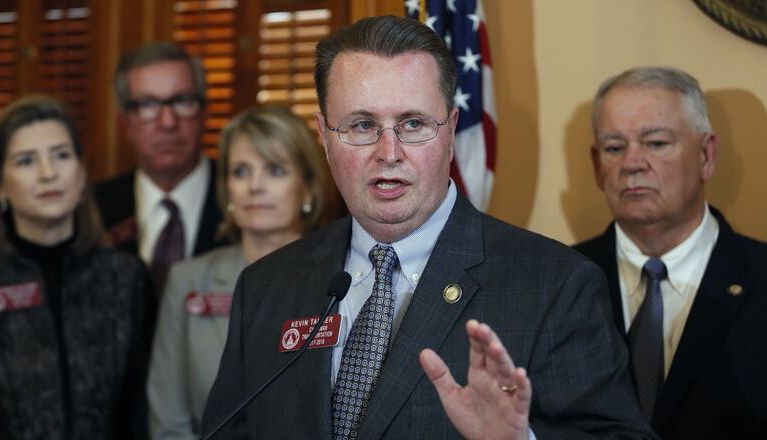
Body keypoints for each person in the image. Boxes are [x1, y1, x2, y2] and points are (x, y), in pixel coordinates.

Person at [202, 16, 655, 439]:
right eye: (362, 125)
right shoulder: (265, 286)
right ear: (324, 136)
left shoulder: (554, 285)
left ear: (451, 128)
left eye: (413, 124)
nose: (389, 152)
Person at [574, 66, 767, 439]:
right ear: (598, 167)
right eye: (615, 148)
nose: (632, 163)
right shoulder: (555, 279)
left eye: (656, 143)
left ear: (706, 156)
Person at [146, 106, 329, 439]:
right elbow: (168, 424)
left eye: (275, 170)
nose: (255, 186)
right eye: (241, 171)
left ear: (308, 187)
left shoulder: (343, 278)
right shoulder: (187, 281)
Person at [0, 95, 150, 439]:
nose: (48, 173)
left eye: (61, 155)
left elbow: (140, 409)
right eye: (26, 161)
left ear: (83, 171)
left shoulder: (125, 277)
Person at [93, 41, 225, 296]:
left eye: (182, 101)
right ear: (125, 123)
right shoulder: (94, 209)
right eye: (147, 105)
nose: (167, 122)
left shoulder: (243, 198)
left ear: (204, 114)